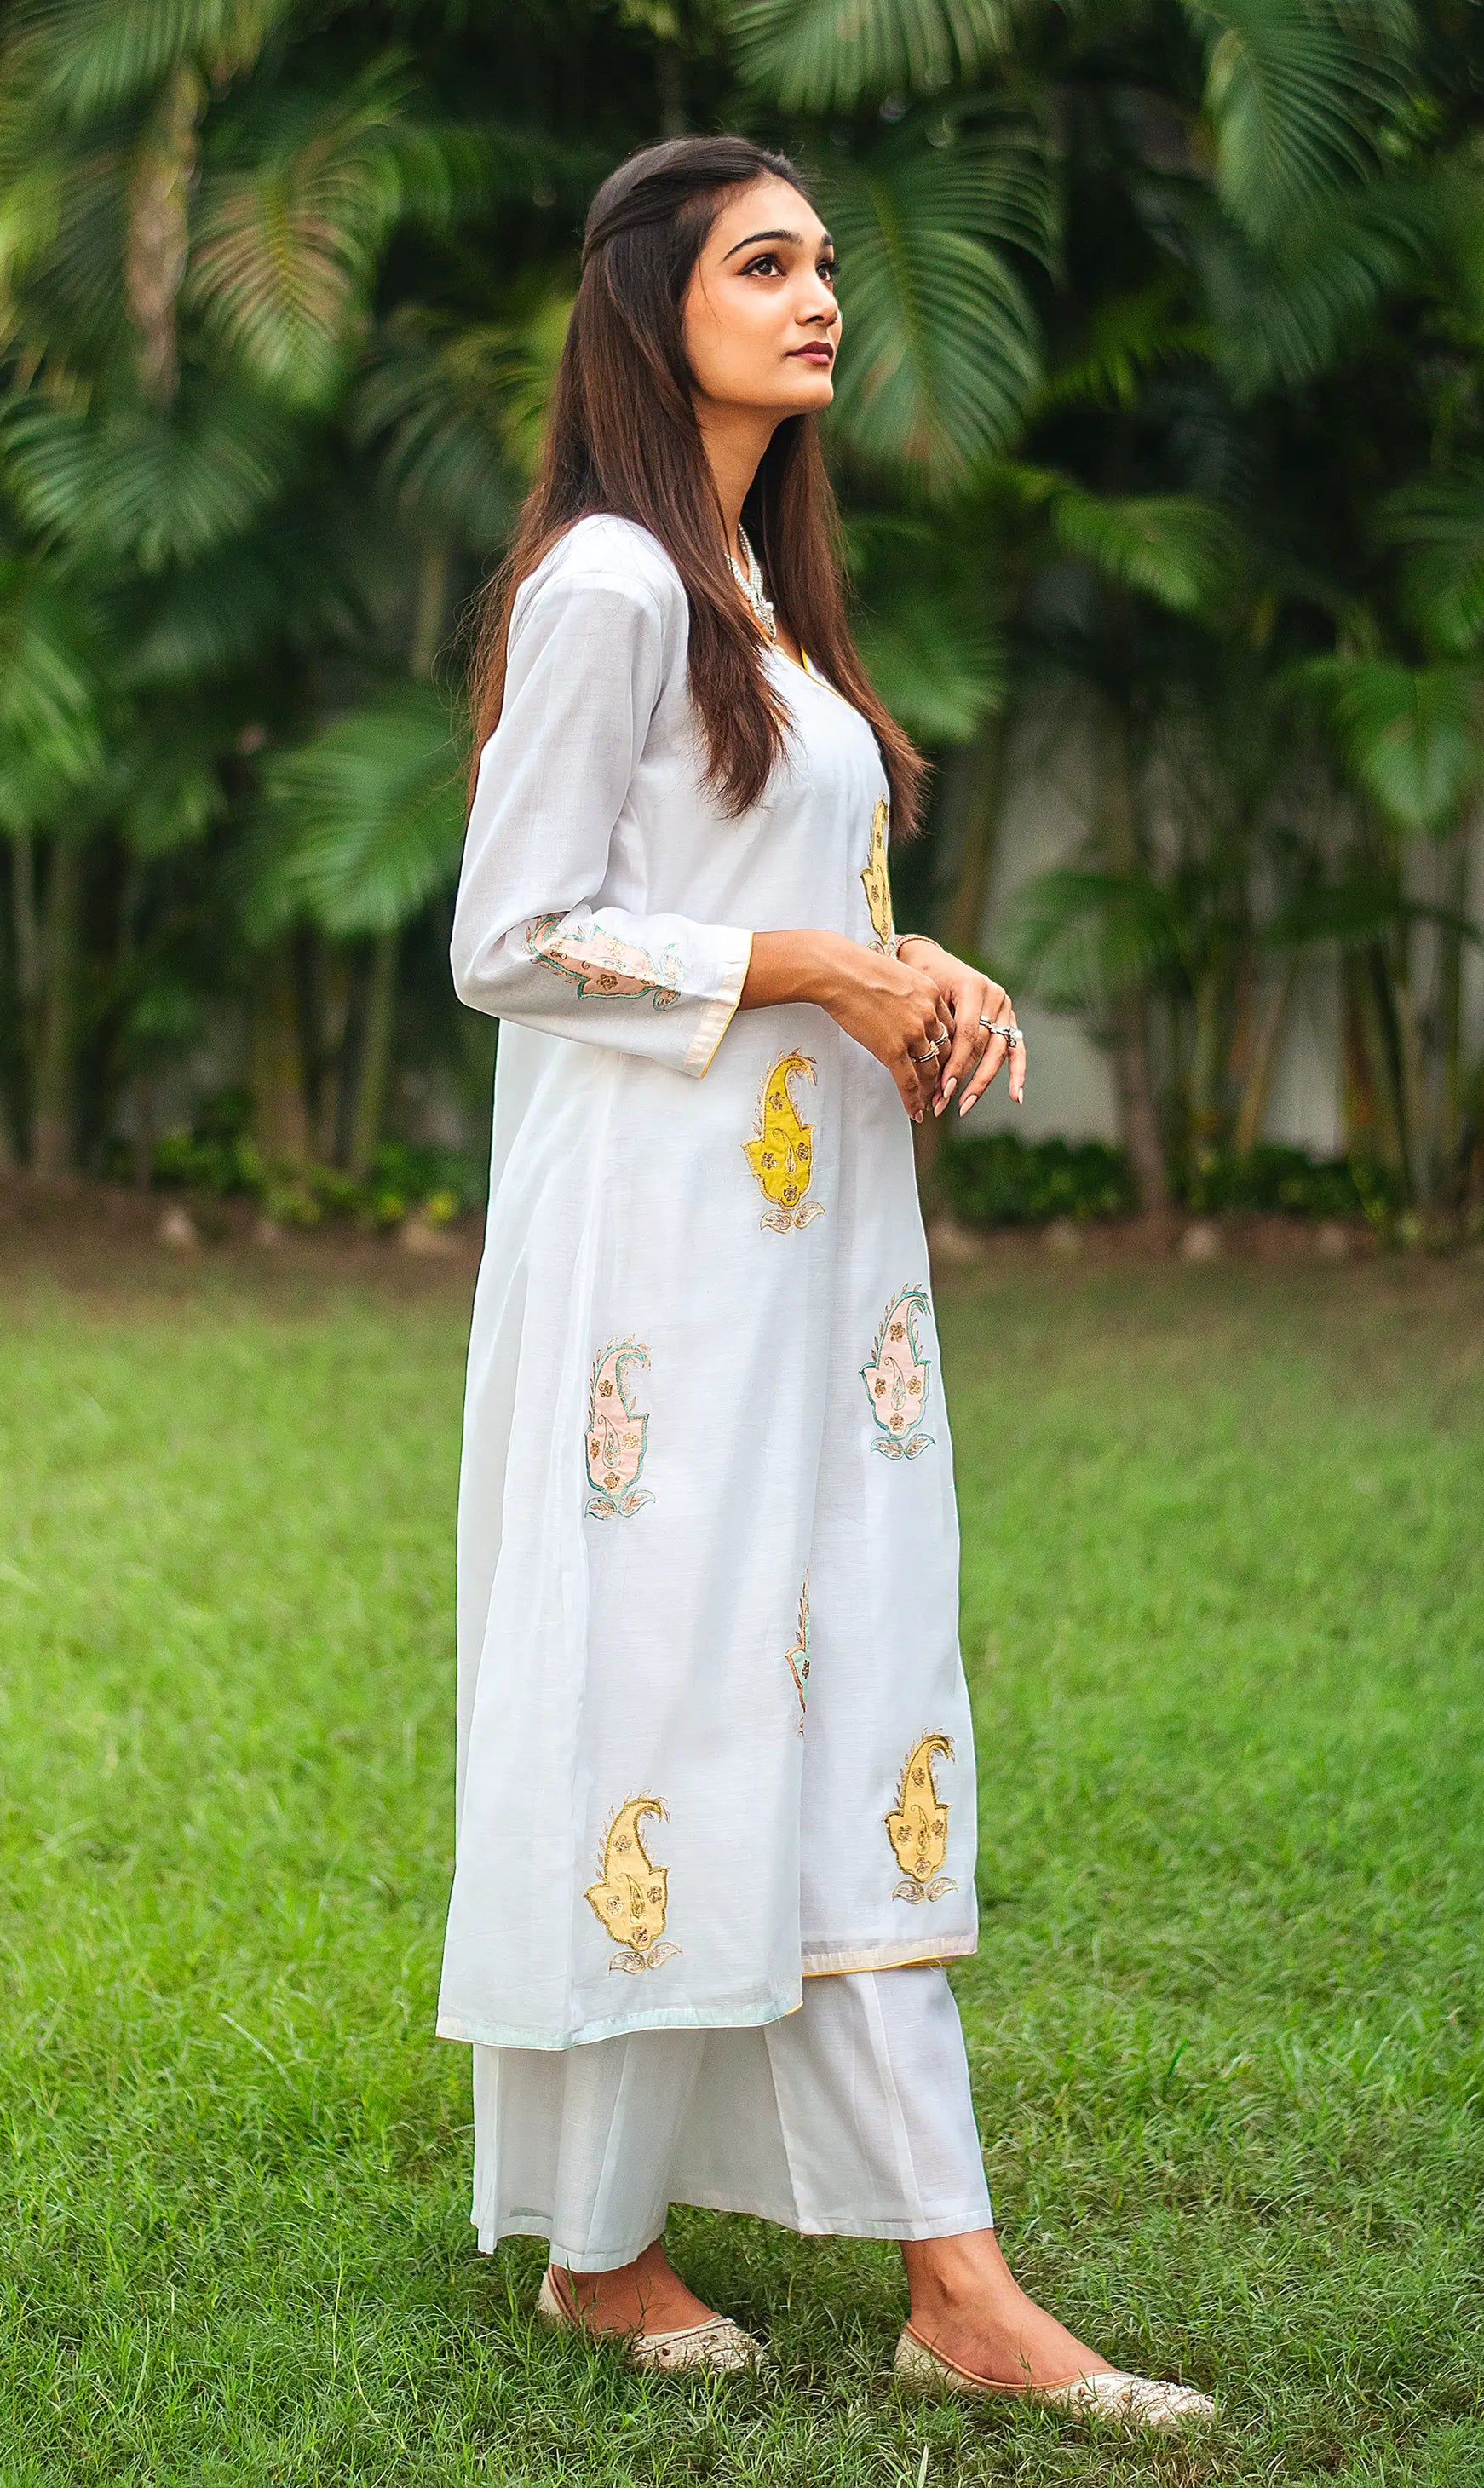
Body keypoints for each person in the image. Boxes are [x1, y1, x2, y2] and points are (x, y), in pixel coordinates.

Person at [438, 132, 1214, 2432]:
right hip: (655, 1288)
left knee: (855, 1695)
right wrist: (801, 963)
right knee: (660, 1713)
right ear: (645, 298)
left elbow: (765, 894)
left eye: (824, 266)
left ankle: (936, 2274)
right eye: (764, 264)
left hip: (819, 1285)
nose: (819, 300)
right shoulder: (605, 585)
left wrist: (905, 965)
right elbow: (507, 936)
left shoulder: (759, 600)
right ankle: (619, 2254)